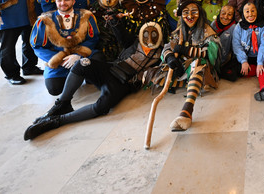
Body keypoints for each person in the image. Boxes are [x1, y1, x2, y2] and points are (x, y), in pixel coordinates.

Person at [24, 15, 164, 140]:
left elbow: (169, 57)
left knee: (102, 106)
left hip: (124, 83)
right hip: (111, 69)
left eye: (154, 35)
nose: (149, 38)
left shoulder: (160, 53)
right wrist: (114, 20)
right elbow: (121, 35)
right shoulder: (135, 43)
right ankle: (62, 104)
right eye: (146, 34)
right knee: (83, 63)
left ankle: (57, 121)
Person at [150, 0, 221, 131]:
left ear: (200, 13)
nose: (189, 16)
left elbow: (211, 54)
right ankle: (185, 82)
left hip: (199, 66)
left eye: (194, 12)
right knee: (155, 75)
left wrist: (187, 50)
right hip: (181, 66)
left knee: (198, 65)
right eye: (185, 12)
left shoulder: (207, 30)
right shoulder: (179, 31)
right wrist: (170, 57)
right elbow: (168, 46)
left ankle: (187, 110)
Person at [31, 0, 100, 95]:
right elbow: (38, 47)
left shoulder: (86, 16)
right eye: (59, 0)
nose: (63, 3)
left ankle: (82, 73)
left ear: (73, 1)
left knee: (96, 68)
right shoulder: (44, 20)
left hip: (80, 58)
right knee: (55, 90)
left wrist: (78, 56)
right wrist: (60, 60)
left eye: (67, 0)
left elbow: (93, 39)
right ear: (55, 1)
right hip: (59, 63)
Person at [232, 2, 264, 78]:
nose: (250, 14)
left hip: (259, 57)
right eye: (247, 11)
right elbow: (236, 45)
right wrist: (244, 61)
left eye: (253, 11)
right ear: (243, 13)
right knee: (230, 71)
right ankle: (251, 69)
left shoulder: (263, 26)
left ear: (257, 11)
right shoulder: (239, 27)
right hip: (245, 56)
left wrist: (260, 62)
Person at [211, 5, 239, 81]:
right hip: (212, 59)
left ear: (233, 16)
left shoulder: (234, 27)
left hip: (225, 61)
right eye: (223, 13)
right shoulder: (214, 24)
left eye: (229, 14)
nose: (226, 17)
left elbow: (236, 47)